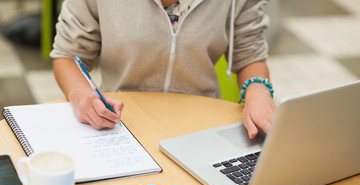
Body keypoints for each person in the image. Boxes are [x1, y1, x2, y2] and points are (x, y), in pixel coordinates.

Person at [51, 0, 276, 139]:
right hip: (119, 125)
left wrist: (258, 90)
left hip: (202, 126)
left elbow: (249, 54)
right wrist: (81, 94)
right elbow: (68, 55)